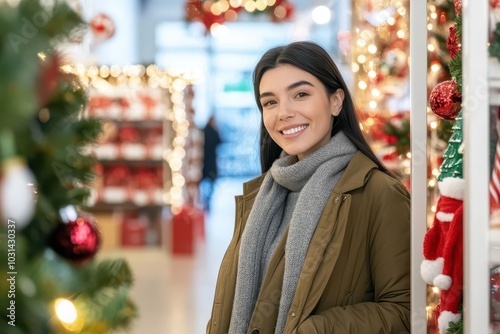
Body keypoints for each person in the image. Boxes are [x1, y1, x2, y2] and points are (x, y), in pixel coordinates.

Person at [206, 41, 410, 333]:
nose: (283, 113)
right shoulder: (264, 195)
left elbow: (403, 312)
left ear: (336, 101)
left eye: (300, 94)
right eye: (270, 102)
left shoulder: (379, 194)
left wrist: (314, 330)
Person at [201, 115, 221, 211]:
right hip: (212, 161)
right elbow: (220, 141)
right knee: (211, 181)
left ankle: (205, 200)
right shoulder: (213, 131)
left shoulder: (203, 131)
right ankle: (207, 199)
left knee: (205, 182)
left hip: (204, 161)